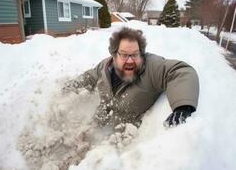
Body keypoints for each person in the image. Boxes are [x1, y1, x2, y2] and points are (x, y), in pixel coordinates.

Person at [63, 27, 199, 128]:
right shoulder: (105, 66)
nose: (130, 60)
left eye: (135, 54)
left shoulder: (151, 67)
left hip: (123, 136)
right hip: (99, 121)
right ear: (114, 54)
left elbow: (180, 71)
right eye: (124, 54)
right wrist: (72, 85)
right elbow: (90, 76)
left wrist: (183, 106)